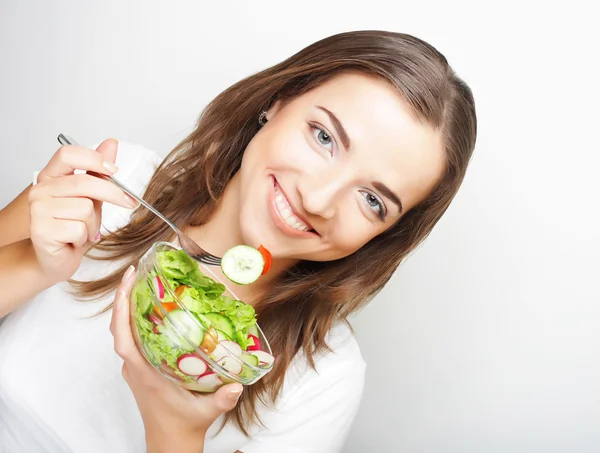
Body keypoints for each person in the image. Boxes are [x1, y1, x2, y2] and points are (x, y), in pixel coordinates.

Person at [0, 30, 477, 453]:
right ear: (278, 100)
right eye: (324, 137)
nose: (317, 198)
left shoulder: (323, 381)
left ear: (384, 236)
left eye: (373, 200)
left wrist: (177, 434)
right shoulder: (113, 183)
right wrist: (36, 265)